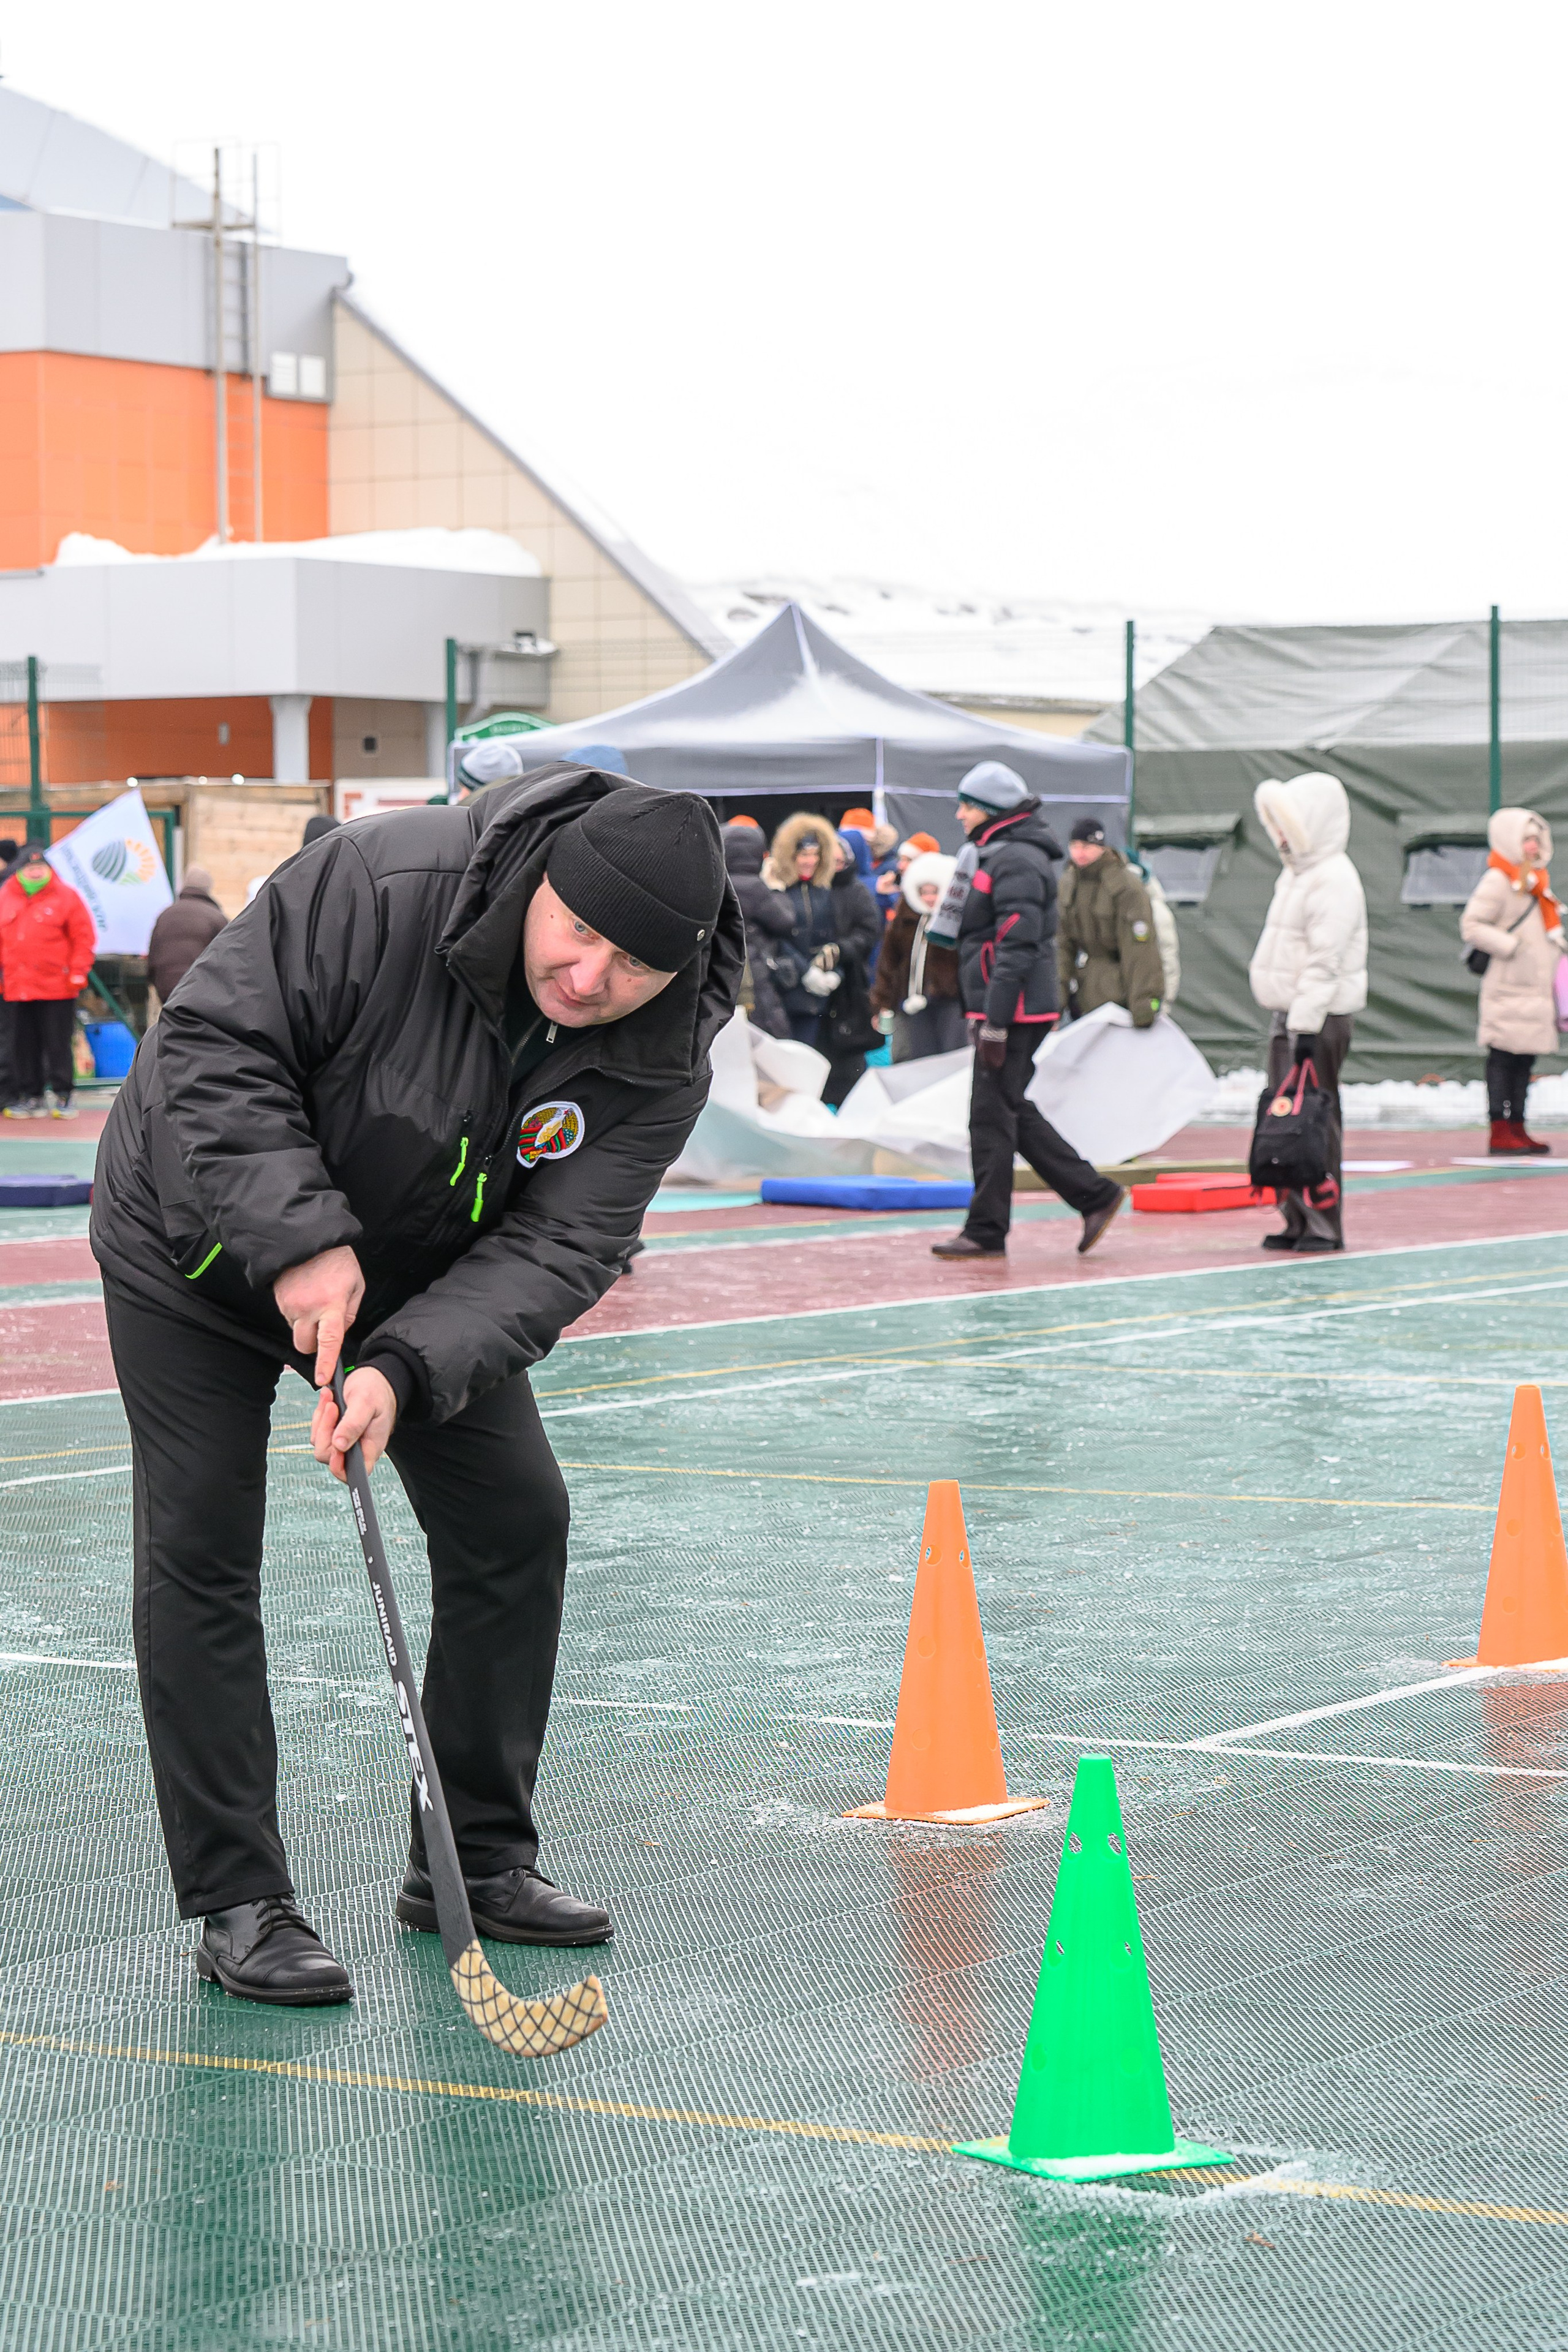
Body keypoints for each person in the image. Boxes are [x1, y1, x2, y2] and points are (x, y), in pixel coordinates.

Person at [89, 767, 741, 2005]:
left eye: (632, 966)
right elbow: (213, 1047)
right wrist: (293, 1239)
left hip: (420, 1270)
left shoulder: (659, 1057)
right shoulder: (383, 881)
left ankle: (472, 1861)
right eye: (580, 934)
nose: (591, 978)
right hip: (194, 1235)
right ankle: (240, 1896)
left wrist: (403, 1364)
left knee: (514, 1519)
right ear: (543, 888)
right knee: (201, 1542)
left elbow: (565, 1244)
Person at [930, 763, 1125, 1262]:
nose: (960, 814)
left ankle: (989, 1229)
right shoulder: (1001, 853)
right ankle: (1093, 1195)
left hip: (1013, 1011)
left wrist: (994, 1021)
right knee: (1006, 1109)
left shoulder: (1014, 858)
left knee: (991, 1117)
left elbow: (1015, 947)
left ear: (991, 810)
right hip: (1010, 1007)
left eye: (967, 805)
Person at [1248, 772, 1368, 1252]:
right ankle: (1295, 1218)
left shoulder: (1334, 878)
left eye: (1288, 824)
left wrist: (1304, 1026)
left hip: (1316, 1019)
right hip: (1292, 1014)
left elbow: (1326, 959)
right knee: (1285, 1118)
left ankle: (1324, 1224)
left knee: (1314, 1119)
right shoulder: (1295, 874)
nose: (1279, 835)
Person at [1460, 807, 1564, 1155]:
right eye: (1527, 839)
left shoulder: (1535, 882)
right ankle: (1499, 1129)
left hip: (1534, 990)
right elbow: (1472, 925)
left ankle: (1518, 1126)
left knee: (1525, 1060)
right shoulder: (1498, 880)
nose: (1534, 846)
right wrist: (1511, 946)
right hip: (1508, 988)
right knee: (1503, 1058)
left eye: (1537, 839)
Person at [0, 844, 95, 1120]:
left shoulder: (67, 897)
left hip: (58, 987)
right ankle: (32, 1094)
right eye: (29, 868)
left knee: (57, 1043)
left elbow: (83, 938)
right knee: (23, 1044)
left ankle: (64, 1094)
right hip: (17, 988)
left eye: (40, 867)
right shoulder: (5, 896)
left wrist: (78, 972)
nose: (34, 872)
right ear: (20, 870)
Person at [1056, 819, 1166, 1025]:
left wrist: (1144, 1004)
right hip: (1084, 993)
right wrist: (1057, 1002)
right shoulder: (1069, 883)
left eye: (1087, 847)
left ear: (1101, 847)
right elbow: (1062, 945)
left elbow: (1140, 951)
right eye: (1075, 846)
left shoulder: (1125, 887)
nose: (1080, 853)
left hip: (1121, 995)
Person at [870, 851, 965, 1060]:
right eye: (924, 892)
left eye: (934, 892)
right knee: (914, 1059)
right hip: (910, 1001)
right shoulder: (905, 916)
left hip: (950, 1002)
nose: (929, 898)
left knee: (953, 1059)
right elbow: (888, 962)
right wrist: (883, 1002)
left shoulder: (957, 919)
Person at [723, 818, 796, 1038]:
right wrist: (775, 889)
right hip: (755, 975)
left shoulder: (719, 883)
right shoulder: (756, 887)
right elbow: (785, 922)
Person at [146, 866, 228, 1015]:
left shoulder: (165, 915)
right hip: (200, 992)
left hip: (166, 990)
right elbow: (228, 961)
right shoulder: (217, 918)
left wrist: (155, 981)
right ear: (208, 888)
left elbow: (152, 954)